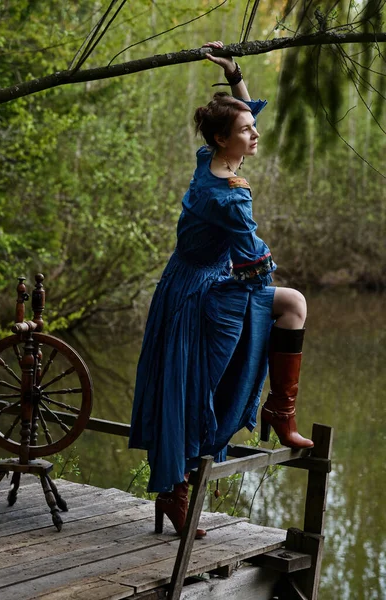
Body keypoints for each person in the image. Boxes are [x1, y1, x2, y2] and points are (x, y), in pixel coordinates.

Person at [129, 41, 313, 539]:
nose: (256, 132)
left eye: (252, 127)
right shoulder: (228, 200)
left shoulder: (210, 160)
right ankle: (175, 489)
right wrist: (256, 282)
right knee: (195, 393)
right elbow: (256, 263)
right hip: (195, 299)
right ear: (221, 139)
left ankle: (280, 409)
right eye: (246, 130)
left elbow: (242, 112)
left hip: (195, 280)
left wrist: (234, 74)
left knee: (292, 304)